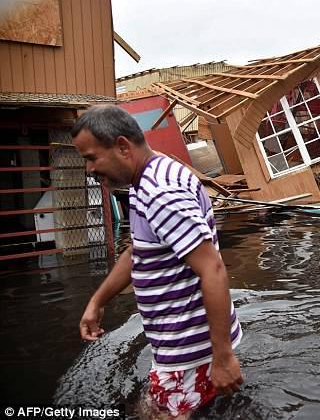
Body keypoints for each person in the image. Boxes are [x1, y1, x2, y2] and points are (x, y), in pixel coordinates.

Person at [73, 105, 243, 418]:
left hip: (189, 349)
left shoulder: (161, 193)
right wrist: (97, 301)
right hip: (182, 343)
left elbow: (213, 269)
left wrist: (222, 357)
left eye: (91, 157)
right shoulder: (146, 179)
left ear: (123, 146)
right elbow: (138, 251)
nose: (89, 169)